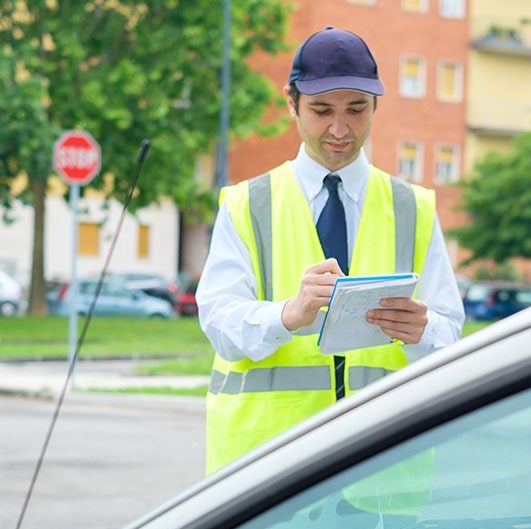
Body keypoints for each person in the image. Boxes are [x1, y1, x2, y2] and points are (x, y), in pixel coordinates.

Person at [197, 26, 465, 476]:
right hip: (265, 477)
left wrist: (423, 331)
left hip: (383, 474)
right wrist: (287, 314)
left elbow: (449, 337)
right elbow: (220, 324)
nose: (339, 130)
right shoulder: (246, 204)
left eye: (356, 110)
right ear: (291, 102)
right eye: (321, 110)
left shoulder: (413, 208)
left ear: (375, 105)